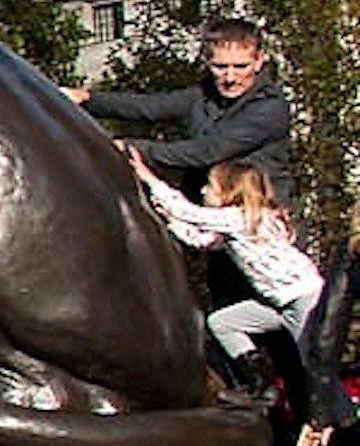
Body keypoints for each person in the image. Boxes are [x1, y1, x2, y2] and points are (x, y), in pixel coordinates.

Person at [139, 163, 326, 404]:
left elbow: (189, 212)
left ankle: (341, 420)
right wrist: (170, 219)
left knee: (316, 369)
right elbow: (201, 240)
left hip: (303, 300)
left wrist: (150, 179)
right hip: (278, 303)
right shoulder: (235, 226)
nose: (204, 191)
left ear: (229, 191)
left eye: (211, 187)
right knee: (223, 322)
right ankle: (260, 383)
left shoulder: (238, 218)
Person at [81, 20, 296, 201]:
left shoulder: (269, 107)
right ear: (207, 62)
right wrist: (88, 99)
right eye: (220, 67)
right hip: (206, 214)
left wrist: (130, 148)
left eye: (241, 67)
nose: (230, 78)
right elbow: (150, 107)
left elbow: (205, 152)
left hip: (259, 224)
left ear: (259, 62)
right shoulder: (203, 95)